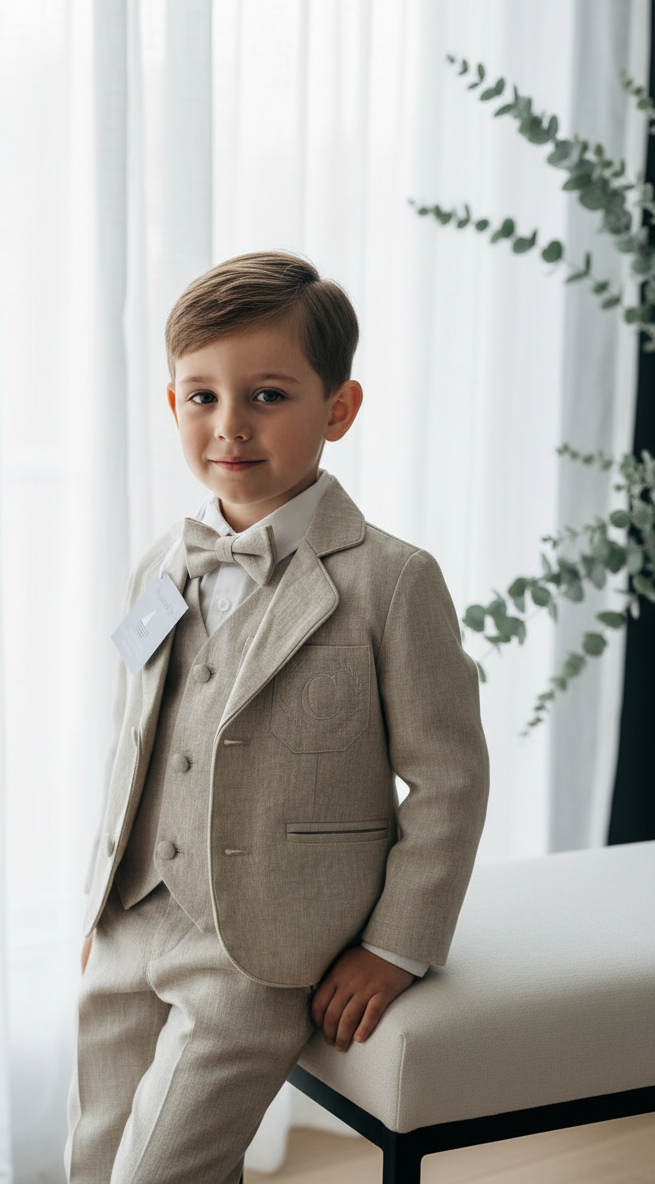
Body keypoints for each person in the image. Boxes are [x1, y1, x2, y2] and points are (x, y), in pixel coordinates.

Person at [65, 251, 489, 1184]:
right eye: (202, 396)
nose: (230, 424)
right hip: (132, 918)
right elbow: (133, 744)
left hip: (260, 945)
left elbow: (450, 779)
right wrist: (103, 892)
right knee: (91, 1157)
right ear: (172, 404)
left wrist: (395, 946)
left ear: (338, 408)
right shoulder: (160, 566)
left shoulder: (392, 581)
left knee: (159, 1171)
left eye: (267, 395)